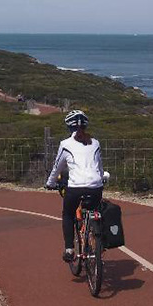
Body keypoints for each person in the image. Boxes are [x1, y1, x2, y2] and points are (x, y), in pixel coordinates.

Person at [45, 110, 104, 262]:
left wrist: (50, 183)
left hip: (75, 188)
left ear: (69, 127)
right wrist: (100, 180)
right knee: (96, 210)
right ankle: (98, 239)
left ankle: (69, 249)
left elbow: (57, 167)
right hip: (96, 187)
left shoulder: (65, 144)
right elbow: (99, 167)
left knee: (68, 215)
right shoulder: (96, 143)